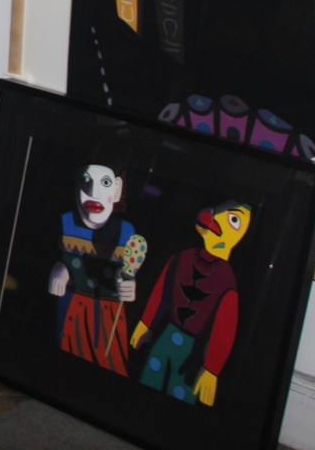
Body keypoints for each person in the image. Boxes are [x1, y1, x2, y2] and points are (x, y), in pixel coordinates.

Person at [131, 200, 251, 405]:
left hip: (195, 352)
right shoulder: (182, 257)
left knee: (181, 392)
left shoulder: (227, 279)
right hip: (166, 335)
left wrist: (211, 369)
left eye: (233, 220)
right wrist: (146, 324)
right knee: (150, 376)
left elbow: (225, 327)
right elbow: (161, 292)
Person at [50, 161, 138, 375]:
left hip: (108, 313)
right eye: (85, 181)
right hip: (72, 306)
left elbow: (127, 269)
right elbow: (60, 258)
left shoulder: (127, 231)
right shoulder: (66, 222)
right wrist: (60, 269)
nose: (93, 192)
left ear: (117, 189)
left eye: (105, 183)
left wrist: (128, 283)